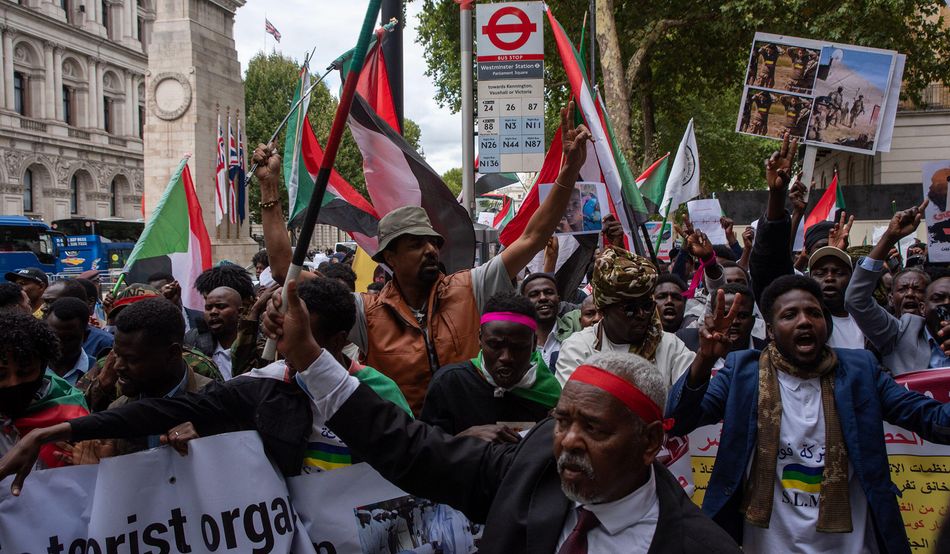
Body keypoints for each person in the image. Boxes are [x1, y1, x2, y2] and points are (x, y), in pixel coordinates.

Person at [245, 288, 741, 553]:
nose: (567, 443)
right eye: (562, 421)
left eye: (594, 429)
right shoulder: (530, 472)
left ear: (649, 442)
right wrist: (312, 357)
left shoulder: (698, 545)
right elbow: (413, 448)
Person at [256, 102, 596, 413]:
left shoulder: (472, 286)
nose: (431, 250)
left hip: (474, 445)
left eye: (433, 242)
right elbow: (288, 270)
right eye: (416, 244)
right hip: (404, 452)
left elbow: (534, 237)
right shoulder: (364, 313)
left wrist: (568, 171)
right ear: (389, 256)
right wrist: (270, 189)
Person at [0, 278, 409, 481]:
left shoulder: (376, 392)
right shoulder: (263, 385)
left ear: (338, 341)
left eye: (303, 338)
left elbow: (410, 463)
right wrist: (55, 433)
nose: (287, 347)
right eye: (280, 334)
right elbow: (161, 412)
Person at [667, 275, 950, 554]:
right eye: (790, 315)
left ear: (825, 323)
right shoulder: (744, 372)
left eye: (813, 313)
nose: (804, 321)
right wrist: (703, 360)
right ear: (770, 330)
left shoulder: (860, 371)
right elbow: (678, 421)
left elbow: (936, 422)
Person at [421, 292, 561, 438]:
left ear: (534, 344)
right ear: (480, 339)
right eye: (495, 345)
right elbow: (427, 452)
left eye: (518, 347)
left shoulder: (550, 396)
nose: (506, 358)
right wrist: (464, 439)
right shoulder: (450, 384)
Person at [556, 246, 695, 391]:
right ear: (603, 311)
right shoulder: (578, 347)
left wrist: (704, 360)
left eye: (647, 306)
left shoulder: (669, 345)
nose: (642, 314)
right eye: (630, 309)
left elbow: (691, 395)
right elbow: (576, 405)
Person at [844, 201, 950, 374]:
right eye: (938, 298)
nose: (946, 304)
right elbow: (855, 300)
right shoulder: (901, 334)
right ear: (923, 307)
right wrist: (889, 238)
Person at [0, 313, 88, 470]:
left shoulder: (71, 413)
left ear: (42, 368)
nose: (13, 383)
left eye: (25, 372)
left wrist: (90, 466)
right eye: (1, 375)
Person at [676, 283, 765, 366]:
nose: (734, 322)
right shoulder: (686, 341)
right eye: (725, 315)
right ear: (711, 317)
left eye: (742, 316)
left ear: (753, 320)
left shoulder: (765, 352)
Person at [39, 279, 114, 359]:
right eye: (44, 302)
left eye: (50, 301)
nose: (43, 308)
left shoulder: (105, 343)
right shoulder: (38, 338)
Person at [808, 246, 865, 349]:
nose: (829, 278)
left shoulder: (867, 321)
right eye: (820, 273)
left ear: (851, 279)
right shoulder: (805, 324)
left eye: (839, 273)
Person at [520, 272, 581, 368]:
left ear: (558, 299)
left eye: (549, 292)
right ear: (523, 303)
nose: (543, 298)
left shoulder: (577, 328)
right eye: (534, 294)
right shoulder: (517, 341)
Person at [185, 286, 242, 379]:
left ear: (240, 312)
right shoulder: (193, 344)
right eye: (208, 308)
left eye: (221, 306)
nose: (213, 312)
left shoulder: (255, 345)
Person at [45, 298, 96, 386]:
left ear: (86, 335)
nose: (59, 345)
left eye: (68, 339)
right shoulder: (31, 368)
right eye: (53, 337)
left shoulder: (96, 372)